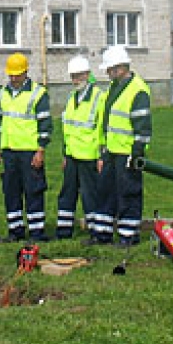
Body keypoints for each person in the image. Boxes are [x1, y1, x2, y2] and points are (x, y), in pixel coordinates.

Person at [89, 45, 151, 247]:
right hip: (112, 151)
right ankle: (102, 234)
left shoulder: (138, 90)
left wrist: (137, 153)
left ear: (120, 67)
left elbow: (143, 127)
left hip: (127, 152)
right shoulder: (115, 88)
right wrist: (103, 150)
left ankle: (128, 235)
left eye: (109, 69)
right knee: (105, 191)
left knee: (128, 193)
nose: (107, 73)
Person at [0, 52, 52, 242]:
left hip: (30, 152)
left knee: (33, 191)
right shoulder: (3, 93)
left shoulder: (38, 93)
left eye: (17, 75)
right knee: (11, 191)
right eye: (11, 75)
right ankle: (15, 231)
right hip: (9, 151)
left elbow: (45, 125)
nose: (14, 78)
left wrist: (40, 150)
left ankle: (36, 232)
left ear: (25, 72)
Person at [55, 55, 105, 239]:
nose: (76, 80)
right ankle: (63, 230)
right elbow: (67, 128)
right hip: (72, 155)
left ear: (87, 74)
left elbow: (102, 129)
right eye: (73, 76)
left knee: (90, 195)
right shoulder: (71, 97)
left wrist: (101, 156)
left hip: (89, 155)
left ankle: (95, 230)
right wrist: (65, 154)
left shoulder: (99, 97)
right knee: (67, 193)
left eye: (79, 76)